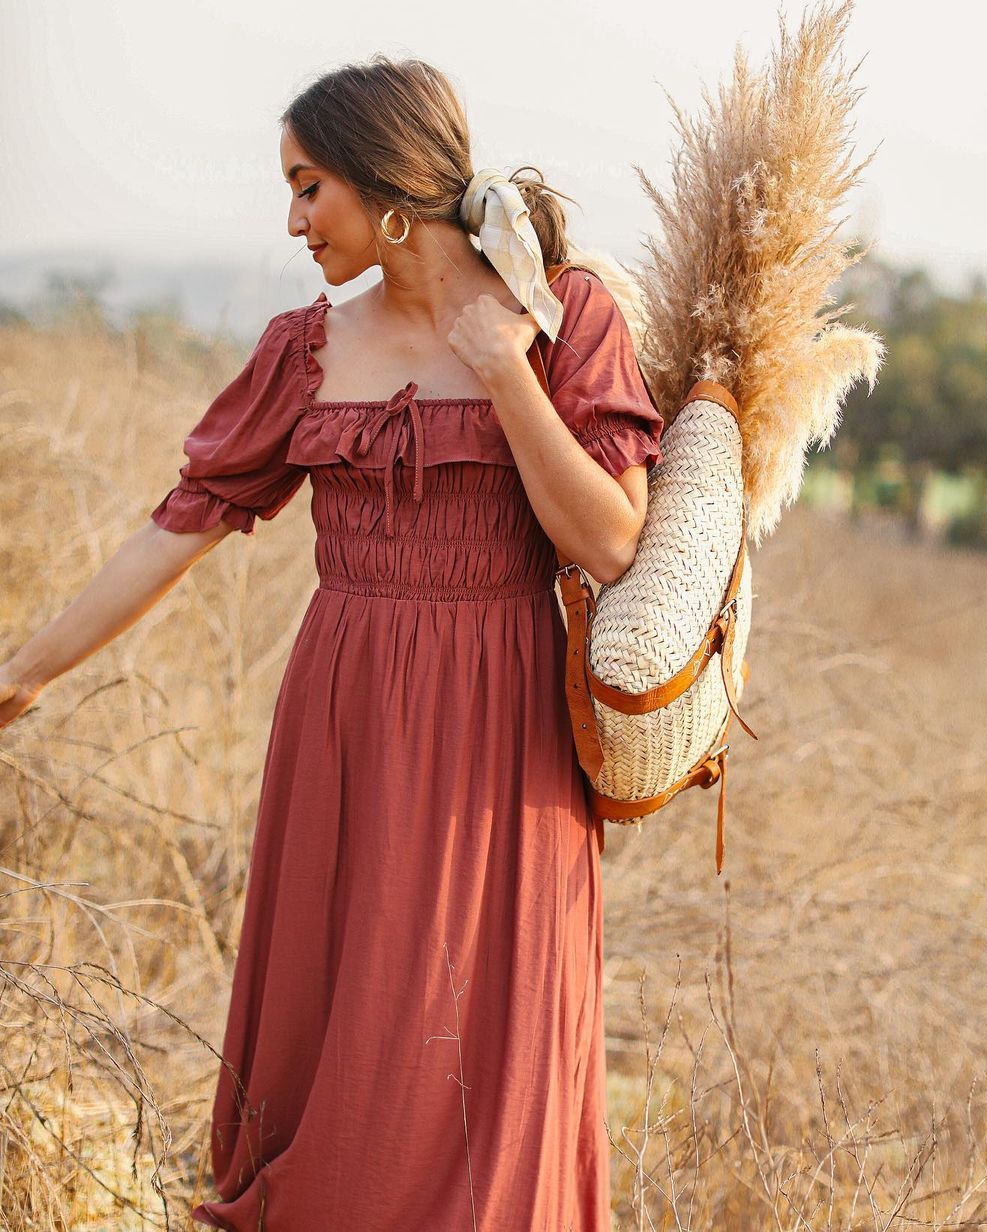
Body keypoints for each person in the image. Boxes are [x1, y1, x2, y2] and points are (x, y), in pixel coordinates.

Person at [0, 54, 666, 1231]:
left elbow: (611, 542)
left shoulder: (566, 318)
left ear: (388, 187)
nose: (294, 218)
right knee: (342, 1030)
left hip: (501, 735)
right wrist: (26, 668)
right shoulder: (304, 346)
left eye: (311, 186)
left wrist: (505, 372)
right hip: (344, 721)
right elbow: (178, 527)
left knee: (476, 1051)